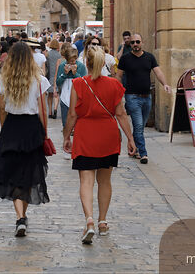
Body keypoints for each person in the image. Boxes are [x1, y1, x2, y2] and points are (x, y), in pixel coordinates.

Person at [63, 46, 136, 244]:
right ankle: (103, 221)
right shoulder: (114, 85)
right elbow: (121, 113)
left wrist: (66, 136)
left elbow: (72, 114)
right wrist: (130, 138)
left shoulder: (78, 84)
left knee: (86, 181)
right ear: (104, 63)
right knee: (105, 181)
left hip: (85, 135)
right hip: (108, 135)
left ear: (86, 63)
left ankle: (89, 222)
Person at [0, 42, 50, 237]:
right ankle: (23, 216)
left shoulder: (4, 79)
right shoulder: (39, 80)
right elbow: (42, 111)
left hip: (12, 127)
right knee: (28, 173)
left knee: (12, 173)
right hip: (31, 129)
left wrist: (5, 130)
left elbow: (2, 109)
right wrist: (44, 133)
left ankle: (20, 216)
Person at [115, 34, 172, 164]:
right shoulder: (125, 59)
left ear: (142, 42)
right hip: (132, 97)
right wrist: (118, 91)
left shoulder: (149, 57)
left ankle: (133, 147)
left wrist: (165, 84)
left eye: (137, 42)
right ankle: (143, 152)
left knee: (140, 127)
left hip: (147, 97)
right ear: (130, 44)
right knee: (139, 125)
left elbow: (158, 72)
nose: (135, 44)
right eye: (133, 42)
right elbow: (118, 76)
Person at [46, 39, 62, 119]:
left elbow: (47, 66)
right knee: (56, 94)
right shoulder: (59, 55)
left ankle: (50, 112)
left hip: (50, 76)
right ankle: (55, 108)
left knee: (50, 95)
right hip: (57, 75)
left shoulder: (48, 54)